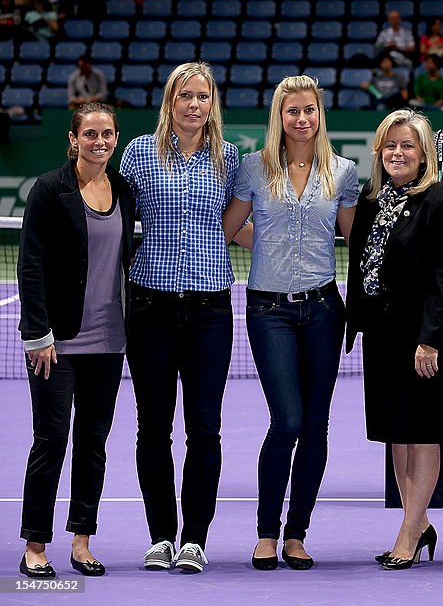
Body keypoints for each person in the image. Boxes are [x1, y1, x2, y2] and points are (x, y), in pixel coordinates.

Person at [221, 75, 359, 571]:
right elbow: (229, 228)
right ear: (278, 116)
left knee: (316, 428)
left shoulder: (342, 172)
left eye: (310, 110)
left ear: (320, 115)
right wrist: (274, 248)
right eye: (292, 110)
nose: (302, 119)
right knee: (288, 422)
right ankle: (266, 534)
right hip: (268, 312)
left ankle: (297, 535)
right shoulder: (253, 168)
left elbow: (355, 237)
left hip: (324, 310)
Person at [119, 62, 239, 574]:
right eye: (185, 96)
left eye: (203, 97)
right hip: (150, 308)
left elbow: (239, 223)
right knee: (153, 428)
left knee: (205, 430)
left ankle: (194, 539)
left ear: (213, 104)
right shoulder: (139, 154)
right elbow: (110, 219)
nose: (194, 105)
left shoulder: (229, 159)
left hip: (211, 308)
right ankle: (160, 536)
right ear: (170, 101)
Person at [17, 103, 135, 580]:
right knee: (50, 439)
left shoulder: (123, 188)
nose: (100, 141)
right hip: (56, 344)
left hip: (109, 343)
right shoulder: (50, 189)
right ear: (74, 138)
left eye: (107, 133)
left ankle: (82, 541)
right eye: (91, 133)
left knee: (93, 442)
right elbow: (30, 265)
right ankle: (35, 545)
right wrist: (38, 334)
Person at [346, 109, 443, 570]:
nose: (398, 153)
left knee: (423, 433)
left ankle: (409, 532)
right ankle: (418, 522)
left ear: (424, 154)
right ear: (379, 151)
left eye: (408, 146)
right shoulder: (371, 198)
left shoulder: (441, 200)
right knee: (397, 435)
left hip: (421, 339)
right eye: (391, 145)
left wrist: (431, 339)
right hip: (381, 334)